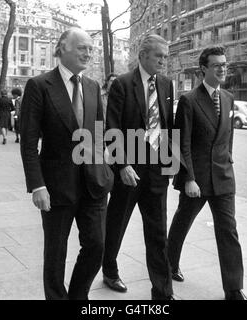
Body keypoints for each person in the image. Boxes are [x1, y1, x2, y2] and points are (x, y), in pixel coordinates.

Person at [20, 28, 113, 300]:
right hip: (56, 186)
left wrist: (106, 168)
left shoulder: (93, 86)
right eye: (83, 47)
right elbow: (28, 142)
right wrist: (37, 185)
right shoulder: (39, 86)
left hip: (93, 184)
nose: (89, 53)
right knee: (56, 253)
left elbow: (99, 134)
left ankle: (78, 296)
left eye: (91, 49)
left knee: (97, 245)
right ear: (62, 47)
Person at [168, 46, 247, 300]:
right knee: (182, 222)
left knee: (228, 231)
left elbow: (228, 136)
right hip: (198, 179)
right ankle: (170, 264)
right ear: (204, 68)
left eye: (225, 64)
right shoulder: (190, 101)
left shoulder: (228, 98)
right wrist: (189, 177)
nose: (223, 69)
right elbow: (183, 143)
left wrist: (229, 159)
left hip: (223, 177)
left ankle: (234, 289)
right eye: (217, 65)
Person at [102, 34, 175, 300]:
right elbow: (111, 128)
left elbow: (168, 125)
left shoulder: (167, 85)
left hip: (157, 171)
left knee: (158, 233)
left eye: (166, 57)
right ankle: (109, 270)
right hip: (129, 171)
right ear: (143, 55)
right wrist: (122, 165)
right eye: (159, 56)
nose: (163, 62)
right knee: (116, 223)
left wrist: (171, 163)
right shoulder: (122, 84)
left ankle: (163, 292)